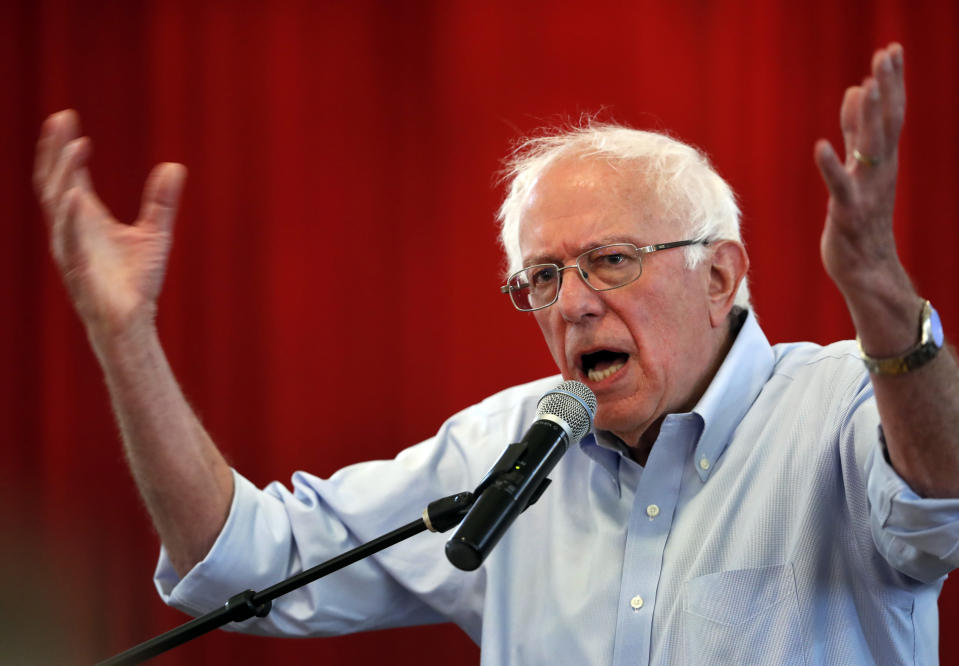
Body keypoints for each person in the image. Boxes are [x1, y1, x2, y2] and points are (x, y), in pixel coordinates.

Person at [33, 42, 959, 664]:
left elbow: (942, 500)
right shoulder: (505, 451)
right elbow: (242, 561)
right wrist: (126, 340)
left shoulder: (841, 401)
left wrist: (877, 286)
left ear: (720, 277)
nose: (574, 304)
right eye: (543, 278)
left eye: (609, 261)